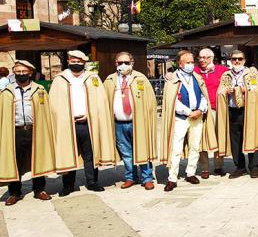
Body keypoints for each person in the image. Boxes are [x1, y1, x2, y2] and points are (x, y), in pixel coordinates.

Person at [50, 50, 116, 196]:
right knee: (68, 153)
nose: (76, 64)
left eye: (79, 62)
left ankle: (92, 182)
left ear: (84, 63)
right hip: (67, 123)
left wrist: (91, 115)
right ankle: (68, 185)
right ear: (68, 62)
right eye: (73, 61)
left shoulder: (93, 78)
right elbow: (53, 103)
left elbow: (100, 101)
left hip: (87, 122)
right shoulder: (59, 79)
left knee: (90, 154)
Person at [160, 50, 217, 192]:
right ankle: (172, 178)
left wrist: (200, 110)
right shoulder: (173, 79)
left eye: (192, 62)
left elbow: (204, 96)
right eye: (188, 62)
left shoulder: (197, 77)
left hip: (197, 117)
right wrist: (188, 112)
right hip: (181, 118)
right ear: (180, 63)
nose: (191, 65)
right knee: (176, 148)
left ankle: (190, 173)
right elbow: (172, 101)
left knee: (195, 146)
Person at [0, 60, 55, 205]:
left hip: (35, 129)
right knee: (15, 161)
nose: (21, 74)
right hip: (15, 131)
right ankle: (14, 192)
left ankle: (39, 189)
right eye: (18, 72)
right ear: (14, 73)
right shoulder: (7, 92)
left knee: (38, 159)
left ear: (30, 72)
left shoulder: (40, 90)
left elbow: (47, 111)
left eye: (24, 71)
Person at [103, 52, 158, 190]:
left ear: (132, 63)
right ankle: (130, 177)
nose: (123, 65)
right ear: (115, 63)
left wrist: (149, 119)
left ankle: (147, 178)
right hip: (118, 123)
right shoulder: (109, 80)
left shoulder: (141, 78)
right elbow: (104, 101)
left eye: (126, 62)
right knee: (126, 153)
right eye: (120, 62)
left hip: (137, 122)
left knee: (142, 149)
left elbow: (151, 101)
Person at [216, 50, 258, 179]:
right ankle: (239, 167)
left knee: (252, 137)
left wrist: (245, 90)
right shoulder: (226, 75)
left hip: (248, 110)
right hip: (232, 110)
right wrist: (225, 91)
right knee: (235, 141)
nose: (237, 61)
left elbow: (257, 90)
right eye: (234, 59)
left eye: (240, 59)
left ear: (244, 60)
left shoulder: (251, 74)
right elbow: (219, 91)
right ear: (230, 60)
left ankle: (254, 167)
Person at [195, 48, 229, 179]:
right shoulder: (195, 71)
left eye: (205, 57)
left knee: (218, 137)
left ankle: (218, 166)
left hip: (216, 109)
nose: (202, 60)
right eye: (200, 57)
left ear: (211, 58)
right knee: (200, 140)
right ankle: (204, 168)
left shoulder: (222, 70)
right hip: (200, 110)